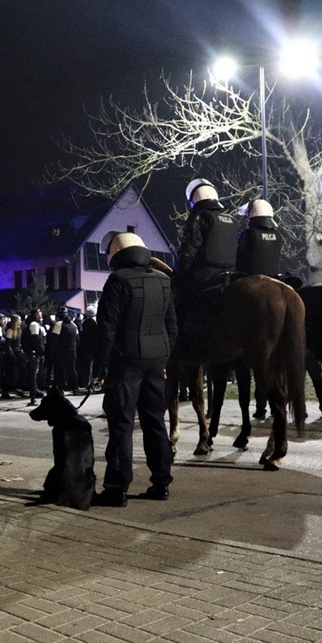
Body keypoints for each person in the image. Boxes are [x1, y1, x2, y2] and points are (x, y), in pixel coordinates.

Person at [92, 232, 178, 506]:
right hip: (155, 364)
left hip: (125, 364)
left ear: (117, 253)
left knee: (121, 425)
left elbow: (107, 328)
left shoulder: (117, 280)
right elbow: (172, 327)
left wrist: (100, 366)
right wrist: (163, 359)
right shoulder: (164, 281)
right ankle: (161, 483)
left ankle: (117, 488)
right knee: (155, 424)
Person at [173, 179, 239, 319]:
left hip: (203, 277)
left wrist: (177, 276)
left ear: (193, 201)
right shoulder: (233, 220)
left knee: (176, 308)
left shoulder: (199, 218)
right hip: (230, 276)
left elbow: (188, 251)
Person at [235, 199, 282, 277]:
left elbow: (239, 254)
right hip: (274, 276)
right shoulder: (277, 234)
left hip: (249, 276)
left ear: (252, 214)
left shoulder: (249, 233)